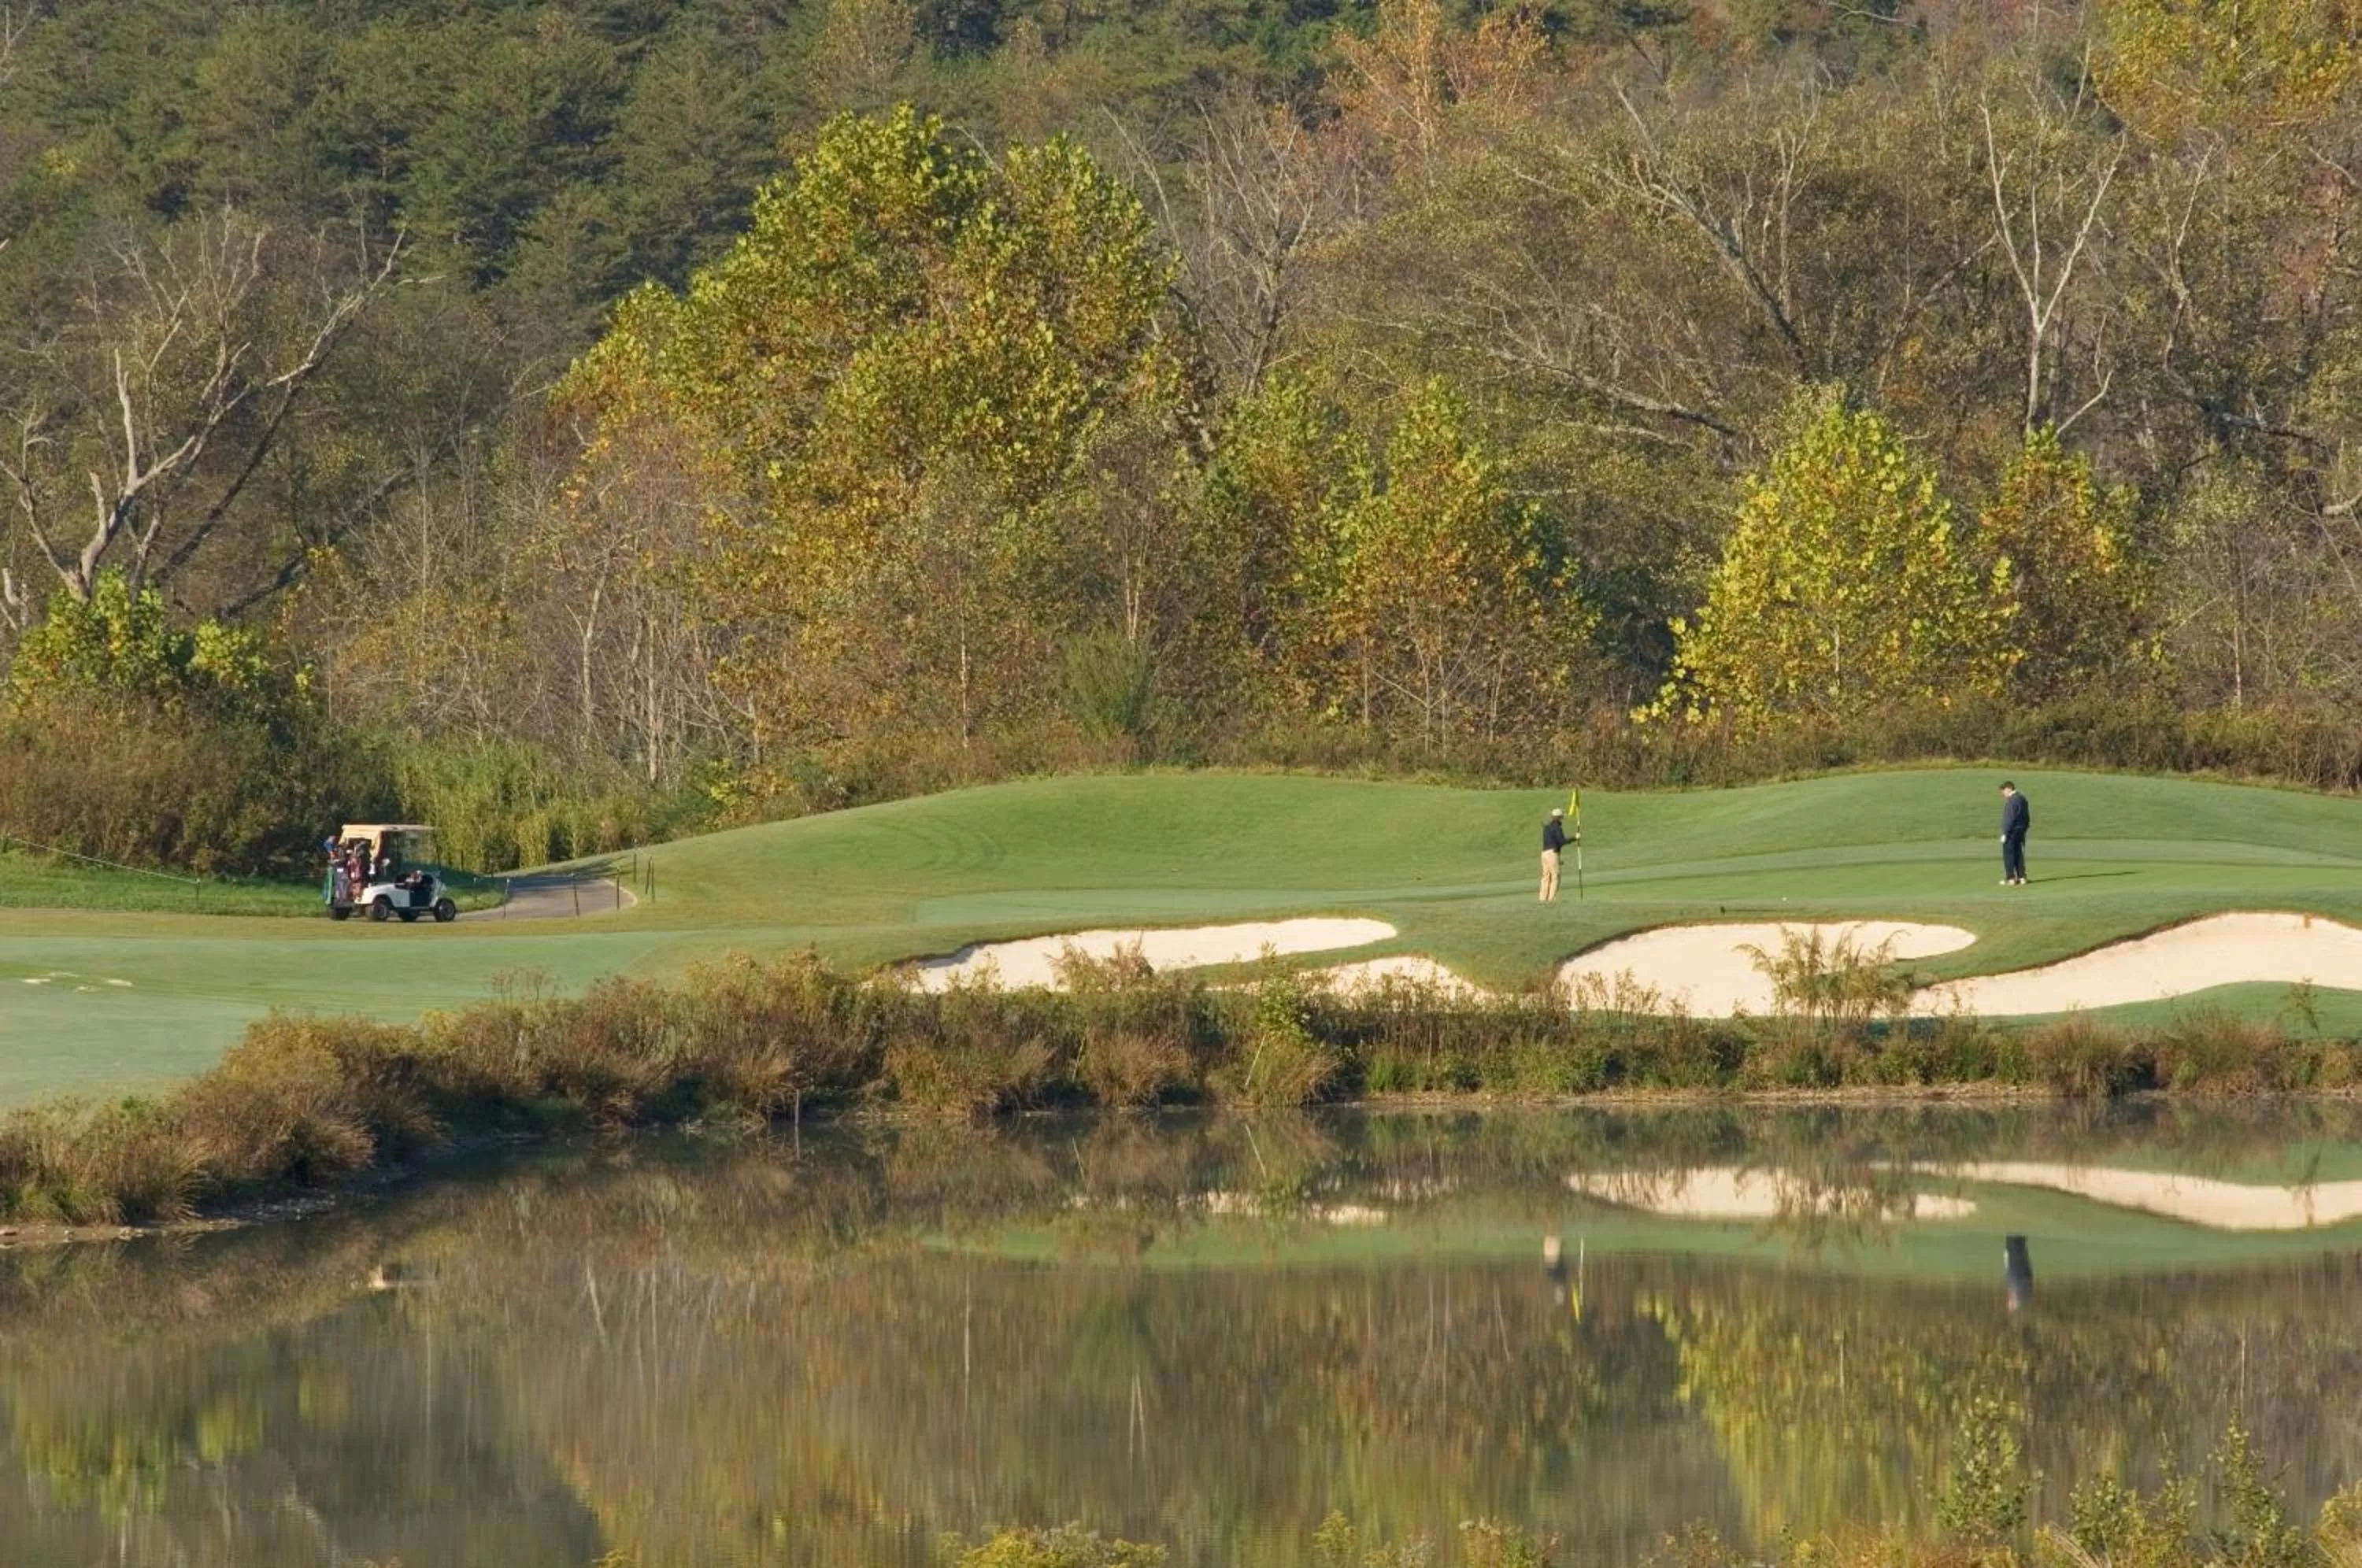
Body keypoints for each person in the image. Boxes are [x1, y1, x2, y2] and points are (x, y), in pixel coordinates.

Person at [1999, 781, 2031, 886]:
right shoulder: (2022, 798)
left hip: (2012, 831)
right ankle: (2022, 877)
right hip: (2021, 830)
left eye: (2003, 791)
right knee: (2019, 854)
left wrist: (2005, 833)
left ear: (2008, 789)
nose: (2003, 794)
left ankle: (2011, 878)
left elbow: (2010, 818)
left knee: (2009, 854)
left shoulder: (2012, 801)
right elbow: (2027, 817)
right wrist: (2025, 828)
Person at [1540, 807, 1568, 902]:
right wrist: (1575, 838)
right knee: (1555, 876)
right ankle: (1551, 899)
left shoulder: (1547, 827)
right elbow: (1562, 842)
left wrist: (1558, 859)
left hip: (1544, 854)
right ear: (1559, 818)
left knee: (1546, 877)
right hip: (1552, 853)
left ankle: (1542, 899)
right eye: (1561, 817)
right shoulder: (1557, 827)